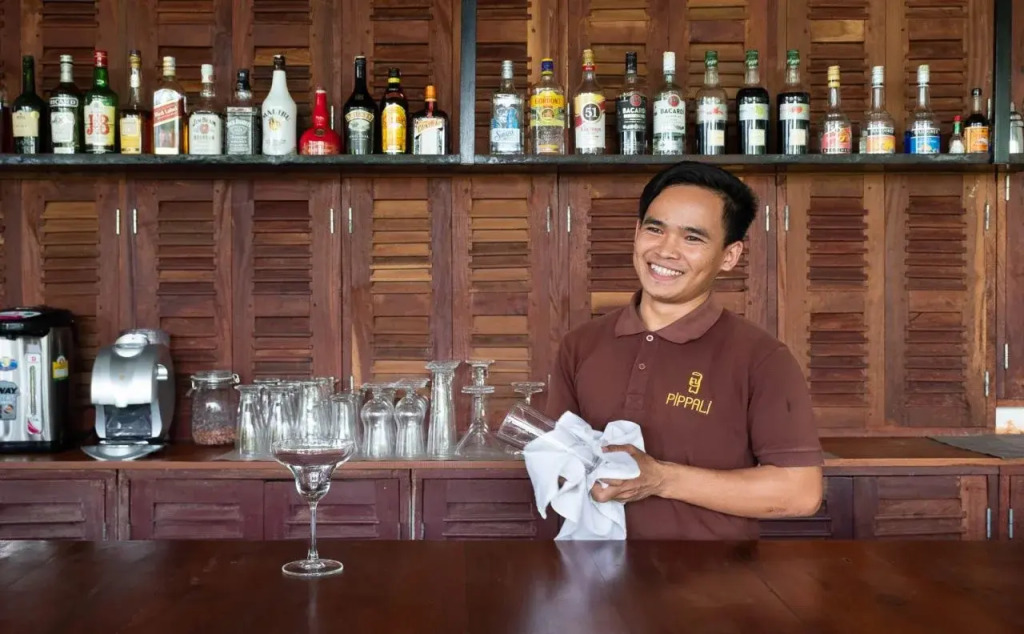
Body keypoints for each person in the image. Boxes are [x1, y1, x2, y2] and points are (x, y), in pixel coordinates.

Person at [544, 161, 823, 540]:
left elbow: (800, 493)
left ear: (729, 255)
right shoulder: (581, 344)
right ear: (637, 233)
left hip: (712, 577)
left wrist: (661, 478)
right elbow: (556, 461)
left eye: (692, 238)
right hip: (591, 570)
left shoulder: (762, 358)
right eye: (655, 229)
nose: (666, 250)